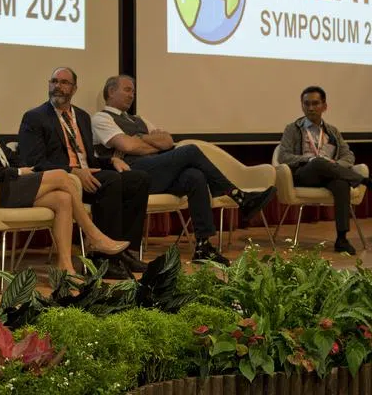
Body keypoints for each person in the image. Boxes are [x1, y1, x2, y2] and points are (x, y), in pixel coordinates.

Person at [0, 70, 129, 275]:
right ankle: (93, 235)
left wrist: (25, 167)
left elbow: (5, 155)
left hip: (10, 184)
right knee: (63, 176)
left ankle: (65, 267)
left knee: (62, 199)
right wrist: (16, 172)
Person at [92, 75, 275, 266]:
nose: (132, 95)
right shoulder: (101, 118)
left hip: (158, 170)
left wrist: (140, 139)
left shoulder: (139, 119)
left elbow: (168, 141)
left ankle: (203, 247)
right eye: (127, 90)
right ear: (111, 91)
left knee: (194, 176)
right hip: (132, 174)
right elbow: (127, 146)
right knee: (190, 151)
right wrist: (149, 142)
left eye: (134, 91)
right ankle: (239, 196)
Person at [17, 68, 150, 279]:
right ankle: (104, 258)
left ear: (74, 88)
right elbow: (33, 162)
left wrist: (111, 160)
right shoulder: (35, 117)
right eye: (54, 81)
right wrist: (74, 172)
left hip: (87, 173)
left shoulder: (82, 117)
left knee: (138, 179)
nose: (58, 86)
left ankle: (125, 252)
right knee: (111, 182)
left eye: (64, 83)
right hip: (62, 180)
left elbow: (89, 158)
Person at [275, 86, 372, 255]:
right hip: (303, 174)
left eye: (315, 103)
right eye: (306, 104)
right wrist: (309, 159)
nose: (310, 108)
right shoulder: (293, 128)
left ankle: (342, 239)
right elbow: (284, 156)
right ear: (302, 105)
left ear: (324, 106)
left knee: (341, 184)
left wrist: (334, 165)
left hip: (329, 174)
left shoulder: (332, 131)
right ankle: (365, 181)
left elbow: (348, 156)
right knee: (317, 162)